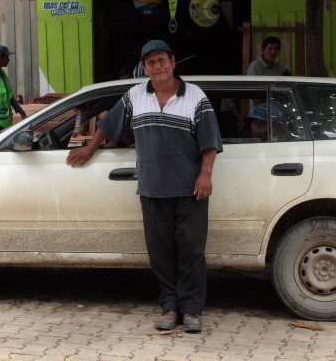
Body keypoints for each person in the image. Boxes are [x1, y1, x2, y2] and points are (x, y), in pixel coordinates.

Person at [66, 40, 222, 333]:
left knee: (191, 251)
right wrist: (90, 149)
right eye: (151, 63)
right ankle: (169, 307)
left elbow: (209, 141)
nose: (157, 67)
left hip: (190, 191)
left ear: (173, 62)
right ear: (145, 68)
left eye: (161, 60)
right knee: (160, 253)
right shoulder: (135, 96)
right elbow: (109, 124)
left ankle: (191, 311)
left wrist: (206, 174)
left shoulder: (195, 97)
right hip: (151, 189)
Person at [0, 45, 26, 134]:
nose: (8, 59)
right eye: (7, 56)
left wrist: (20, 110)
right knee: (0, 143)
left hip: (4, 119)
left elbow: (9, 96)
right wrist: (1, 113)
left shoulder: (2, 73)